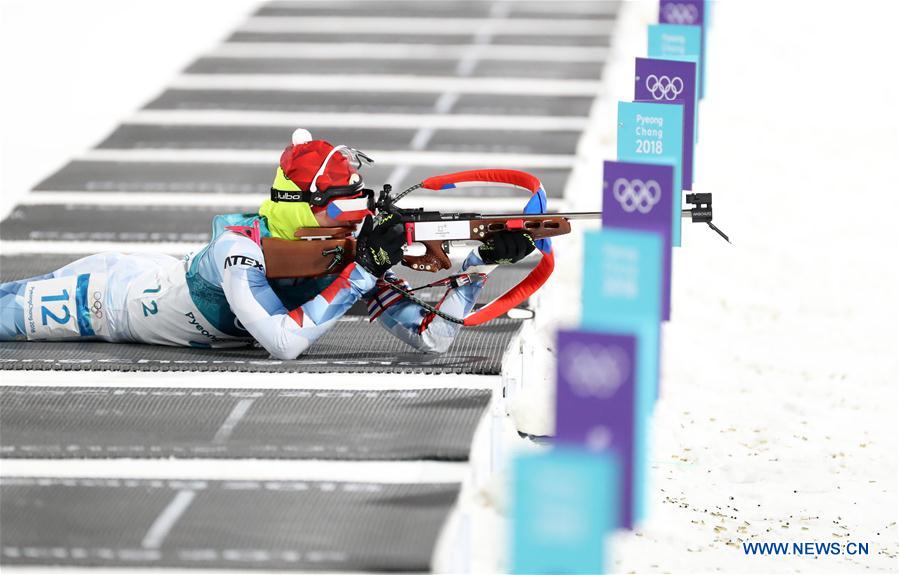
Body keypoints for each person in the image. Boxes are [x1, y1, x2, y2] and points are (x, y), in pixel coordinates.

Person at [0, 129, 536, 358]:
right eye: (341, 209)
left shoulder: (343, 254)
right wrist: (362, 273)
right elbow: (283, 343)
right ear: (302, 210)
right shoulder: (240, 249)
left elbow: (433, 339)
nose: (355, 224)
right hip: (105, 302)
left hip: (143, 276)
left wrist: (479, 263)